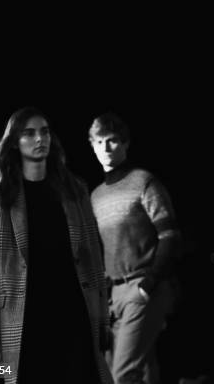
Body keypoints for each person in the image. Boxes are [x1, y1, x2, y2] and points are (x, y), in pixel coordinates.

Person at [0, 107, 112, 384]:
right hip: (26, 315)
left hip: (73, 310)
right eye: (29, 133)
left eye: (45, 132)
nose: (40, 139)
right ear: (15, 141)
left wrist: (102, 322)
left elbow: (93, 261)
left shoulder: (75, 190)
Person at [88, 113, 180, 384]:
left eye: (113, 141)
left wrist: (148, 285)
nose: (106, 148)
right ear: (92, 146)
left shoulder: (143, 181)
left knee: (122, 374)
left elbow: (171, 235)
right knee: (143, 372)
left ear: (125, 143)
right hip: (113, 296)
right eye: (99, 141)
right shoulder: (95, 196)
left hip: (142, 286)